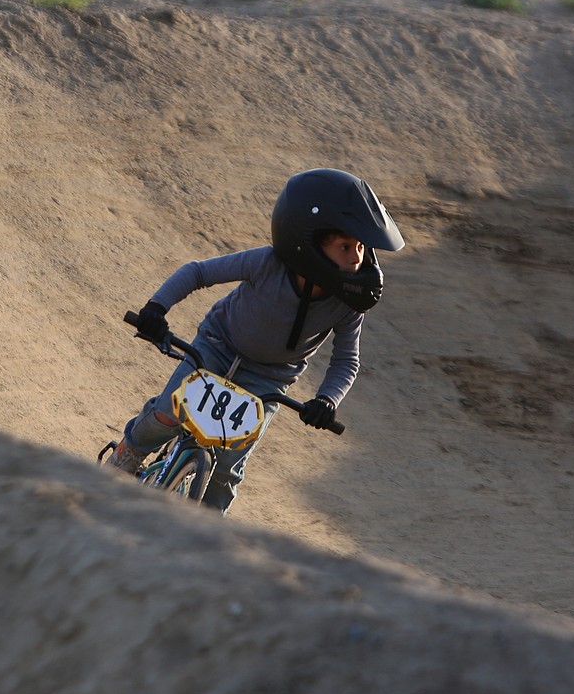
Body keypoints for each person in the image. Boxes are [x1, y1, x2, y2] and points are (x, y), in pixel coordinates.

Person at [102, 168, 405, 514]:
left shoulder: (348, 302)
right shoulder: (267, 263)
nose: (357, 258)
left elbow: (346, 360)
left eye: (362, 247)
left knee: (227, 470)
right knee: (167, 415)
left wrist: (327, 400)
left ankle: (205, 541)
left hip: (270, 380)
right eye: (345, 246)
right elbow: (198, 272)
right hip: (217, 347)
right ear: (308, 242)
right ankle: (125, 456)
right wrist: (156, 309)